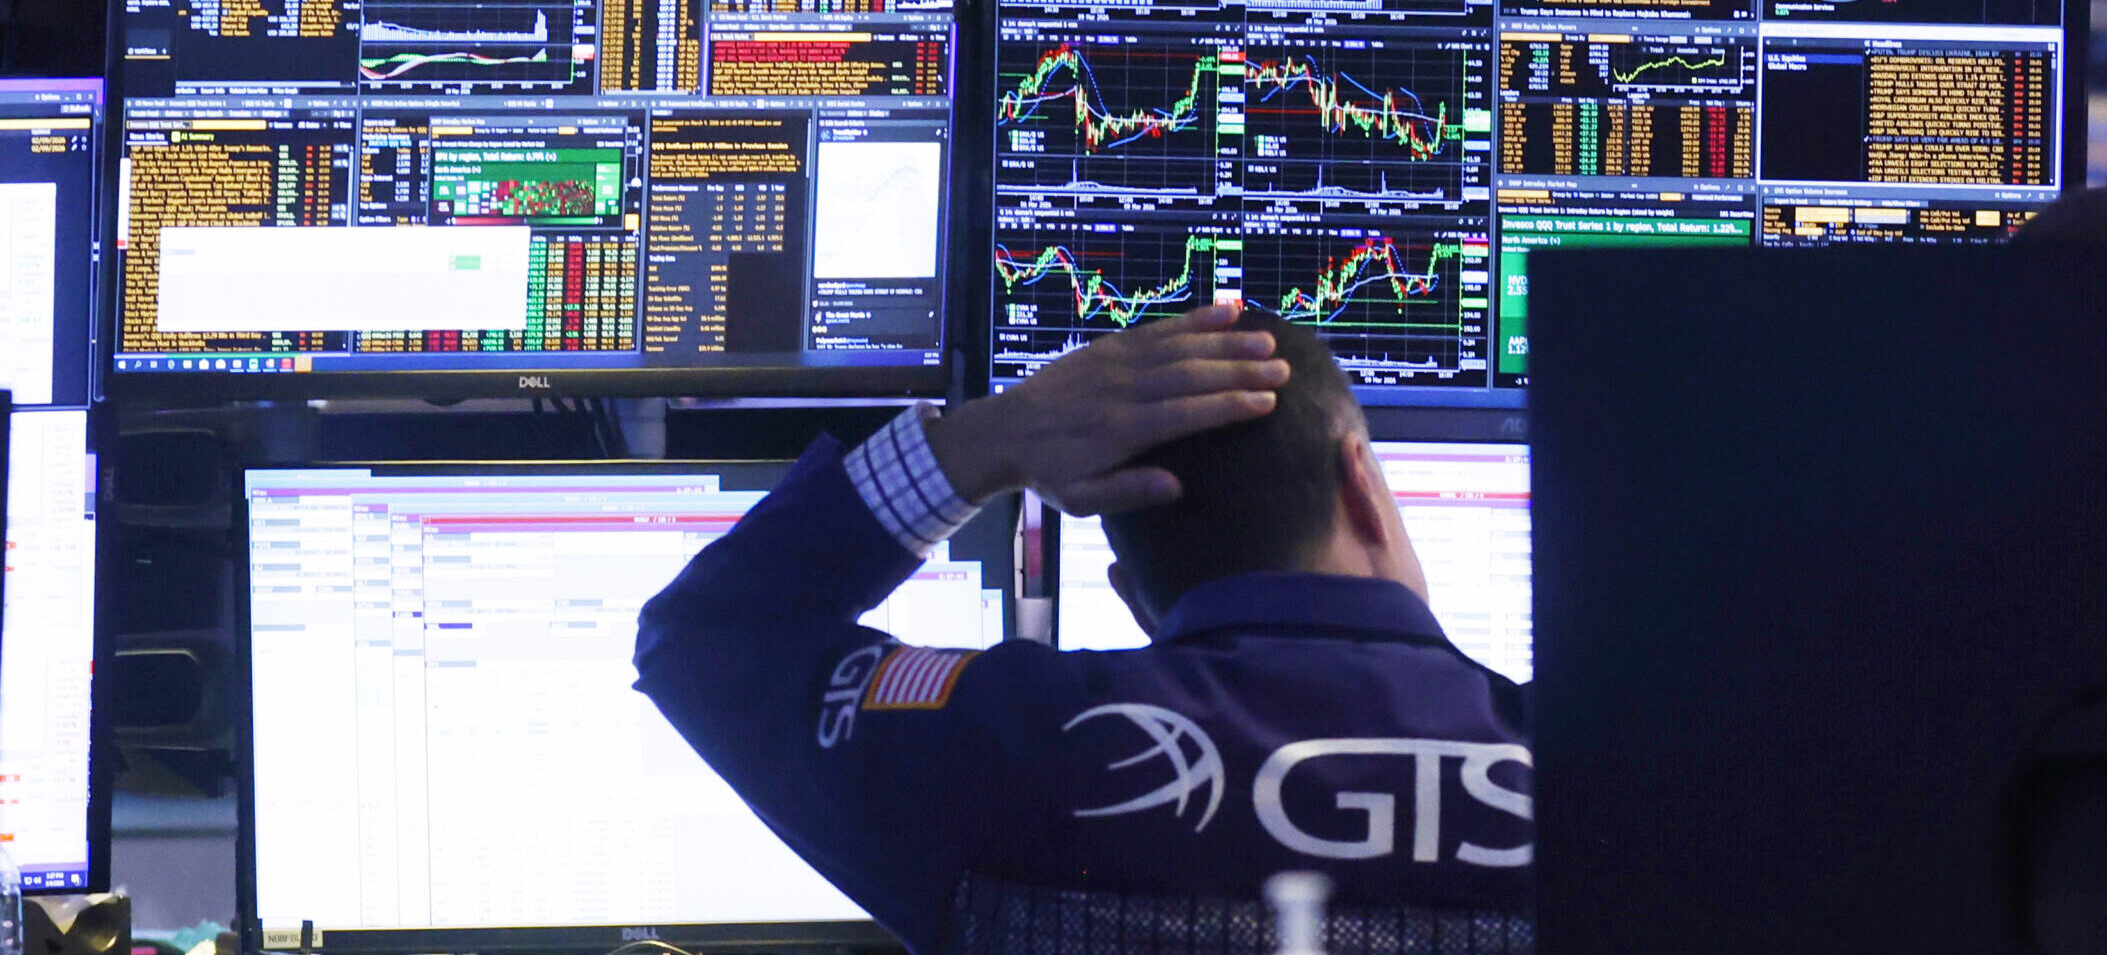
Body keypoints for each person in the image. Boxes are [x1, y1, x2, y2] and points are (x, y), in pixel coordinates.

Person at [633, 304, 1532, 953]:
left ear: (1132, 593)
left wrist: (990, 440)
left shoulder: (1010, 749)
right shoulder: (1615, 779)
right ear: (1363, 485)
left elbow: (709, 634)